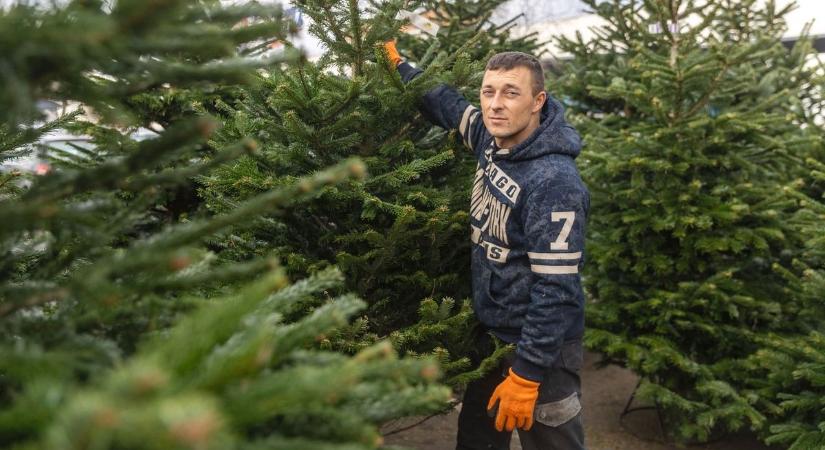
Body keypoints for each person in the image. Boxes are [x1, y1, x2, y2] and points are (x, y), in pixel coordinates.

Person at [384, 40, 589, 450]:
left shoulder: (554, 182)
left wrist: (527, 375)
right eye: (488, 91)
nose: (495, 104)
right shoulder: (492, 142)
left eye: (511, 92)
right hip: (490, 340)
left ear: (537, 101)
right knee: (477, 440)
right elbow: (448, 106)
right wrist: (399, 65)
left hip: (541, 352)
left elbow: (557, 289)